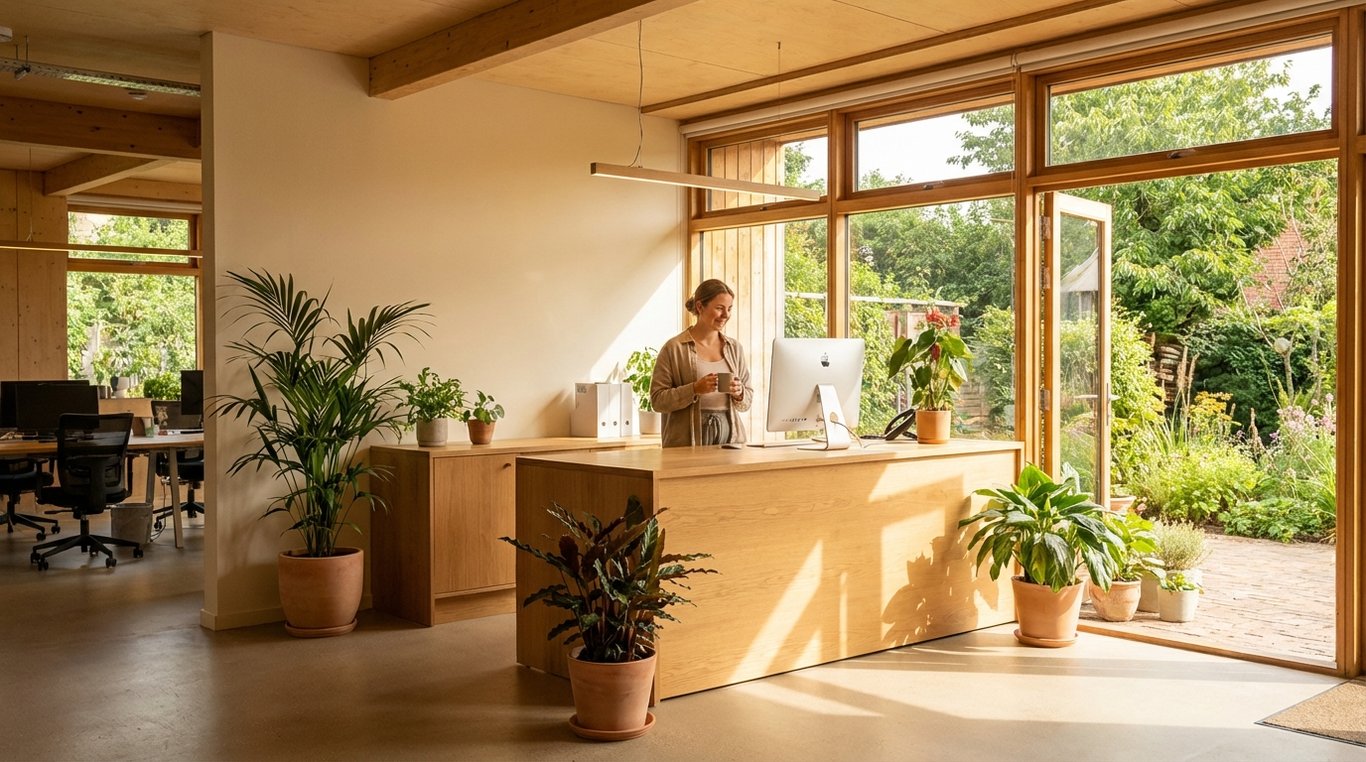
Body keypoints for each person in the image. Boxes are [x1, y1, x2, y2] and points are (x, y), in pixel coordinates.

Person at [651, 279, 754, 447]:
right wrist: (694, 389)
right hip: (685, 444)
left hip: (731, 444)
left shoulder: (734, 348)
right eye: (719, 308)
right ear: (700, 307)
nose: (726, 315)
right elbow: (657, 400)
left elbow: (746, 402)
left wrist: (740, 392)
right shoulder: (674, 348)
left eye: (729, 309)